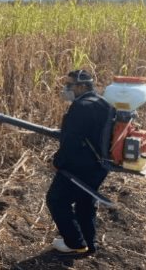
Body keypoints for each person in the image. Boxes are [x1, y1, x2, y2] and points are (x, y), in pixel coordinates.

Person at [46, 69, 113, 255]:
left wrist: (58, 162)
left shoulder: (80, 107)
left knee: (56, 200)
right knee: (85, 201)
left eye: (70, 85)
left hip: (79, 167)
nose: (66, 88)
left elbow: (72, 142)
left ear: (82, 86)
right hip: (100, 166)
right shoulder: (103, 102)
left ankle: (74, 243)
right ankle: (89, 244)